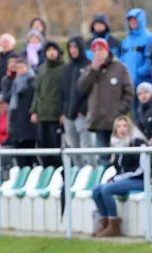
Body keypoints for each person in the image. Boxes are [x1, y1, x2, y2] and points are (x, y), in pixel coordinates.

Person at [78, 38, 134, 166]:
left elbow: (129, 92)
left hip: (116, 123)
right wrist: (93, 70)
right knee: (103, 156)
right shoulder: (90, 69)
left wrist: (119, 112)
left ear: (107, 50)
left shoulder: (120, 68)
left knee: (120, 155)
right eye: (95, 50)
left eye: (101, 49)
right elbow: (81, 88)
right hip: (98, 122)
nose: (98, 53)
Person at [92, 116, 147, 237]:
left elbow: (140, 169)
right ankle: (105, 223)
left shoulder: (138, 143)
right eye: (118, 126)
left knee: (106, 189)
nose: (122, 129)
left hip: (140, 180)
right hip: (125, 181)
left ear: (130, 127)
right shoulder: (117, 144)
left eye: (125, 125)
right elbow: (119, 169)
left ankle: (114, 225)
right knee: (96, 189)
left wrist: (116, 179)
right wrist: (114, 178)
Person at [30, 41, 65, 168]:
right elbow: (37, 91)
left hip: (56, 115)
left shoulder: (63, 68)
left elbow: (65, 92)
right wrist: (34, 110)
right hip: (42, 114)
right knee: (44, 146)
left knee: (57, 146)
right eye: (48, 50)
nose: (51, 52)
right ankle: (47, 172)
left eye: (54, 49)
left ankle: (59, 171)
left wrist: (63, 113)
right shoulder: (42, 68)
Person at [61, 36, 92, 167]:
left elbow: (91, 91)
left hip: (82, 114)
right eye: (70, 48)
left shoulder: (88, 66)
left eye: (75, 47)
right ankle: (78, 174)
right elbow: (63, 92)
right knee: (73, 148)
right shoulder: (67, 67)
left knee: (86, 147)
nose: (73, 50)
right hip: (68, 115)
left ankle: (91, 173)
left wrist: (83, 110)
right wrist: (63, 111)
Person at [121, 8, 152, 111]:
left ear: (141, 21)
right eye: (130, 20)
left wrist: (138, 73)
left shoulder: (149, 37)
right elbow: (123, 59)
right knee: (134, 113)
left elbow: (149, 60)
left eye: (135, 20)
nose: (133, 22)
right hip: (129, 84)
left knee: (145, 111)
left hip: (143, 83)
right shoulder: (126, 40)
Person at [9, 58, 38, 168]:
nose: (20, 70)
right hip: (18, 122)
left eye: (22, 67)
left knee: (30, 150)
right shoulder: (16, 83)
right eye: (18, 68)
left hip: (29, 121)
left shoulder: (32, 81)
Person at [0, 34, 17, 98]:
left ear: (12, 44)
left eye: (7, 42)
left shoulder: (16, 57)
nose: (4, 44)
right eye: (3, 42)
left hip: (10, 94)